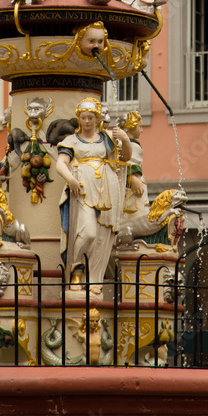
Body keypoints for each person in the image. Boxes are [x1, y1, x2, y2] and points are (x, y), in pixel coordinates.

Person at [55, 98, 131, 290]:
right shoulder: (71, 141)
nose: (87, 121)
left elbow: (125, 158)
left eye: (90, 117)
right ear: (78, 119)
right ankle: (76, 270)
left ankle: (94, 278)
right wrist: (70, 179)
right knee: (88, 233)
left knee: (102, 237)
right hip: (82, 190)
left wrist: (125, 138)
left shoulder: (107, 138)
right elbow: (60, 163)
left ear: (97, 119)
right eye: (83, 117)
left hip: (107, 190)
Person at [122, 111, 149, 217]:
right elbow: (127, 163)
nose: (142, 130)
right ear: (132, 126)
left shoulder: (131, 143)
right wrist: (132, 177)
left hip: (137, 184)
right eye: (140, 127)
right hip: (133, 187)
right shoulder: (130, 144)